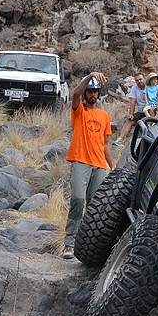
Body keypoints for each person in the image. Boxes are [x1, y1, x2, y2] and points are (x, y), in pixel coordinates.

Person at [62, 72, 114, 259]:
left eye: (95, 91)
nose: (92, 94)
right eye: (90, 91)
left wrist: (112, 166)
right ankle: (69, 243)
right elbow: (75, 94)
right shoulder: (79, 112)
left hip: (99, 164)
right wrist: (90, 75)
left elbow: (106, 144)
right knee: (77, 199)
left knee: (95, 207)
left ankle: (88, 246)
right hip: (80, 160)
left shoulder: (104, 115)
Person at [118, 73, 149, 145]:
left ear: (144, 79)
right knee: (130, 120)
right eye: (137, 80)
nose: (139, 81)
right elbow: (132, 102)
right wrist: (131, 114)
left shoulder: (150, 86)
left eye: (140, 79)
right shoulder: (134, 88)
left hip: (150, 110)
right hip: (141, 112)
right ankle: (120, 138)